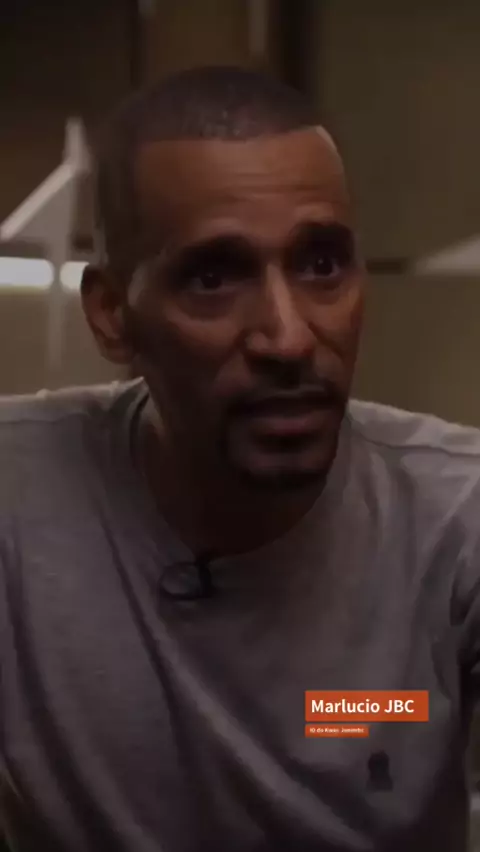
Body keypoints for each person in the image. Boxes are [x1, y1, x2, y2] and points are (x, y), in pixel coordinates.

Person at [1, 64, 480, 852]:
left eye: (321, 265)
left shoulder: (455, 522)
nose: (287, 338)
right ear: (114, 314)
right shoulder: (18, 498)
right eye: (213, 278)